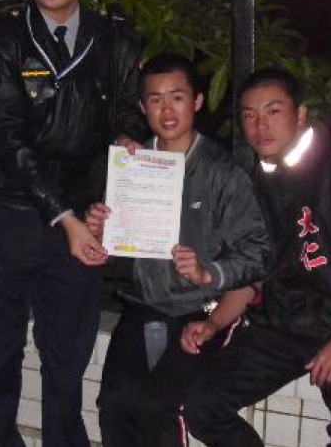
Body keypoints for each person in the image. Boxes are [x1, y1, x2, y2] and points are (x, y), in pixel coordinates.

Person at [0, 0, 146, 447]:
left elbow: (129, 116)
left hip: (82, 216)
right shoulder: (2, 37)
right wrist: (64, 217)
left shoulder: (115, 39)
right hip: (8, 213)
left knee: (67, 352)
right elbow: (7, 135)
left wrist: (126, 147)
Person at [180, 68, 331, 446]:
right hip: (281, 325)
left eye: (273, 111)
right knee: (201, 405)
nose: (260, 125)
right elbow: (253, 269)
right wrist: (214, 323)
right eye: (249, 115)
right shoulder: (252, 179)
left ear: (300, 115)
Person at [85, 53, 270, 447]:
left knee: (160, 407)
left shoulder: (223, 172)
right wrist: (99, 231)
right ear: (142, 107)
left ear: (197, 101)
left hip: (202, 309)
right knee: (114, 404)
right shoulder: (130, 166)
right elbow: (113, 254)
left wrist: (208, 272)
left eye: (177, 97)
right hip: (143, 305)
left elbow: (258, 255)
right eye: (155, 99)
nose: (166, 110)